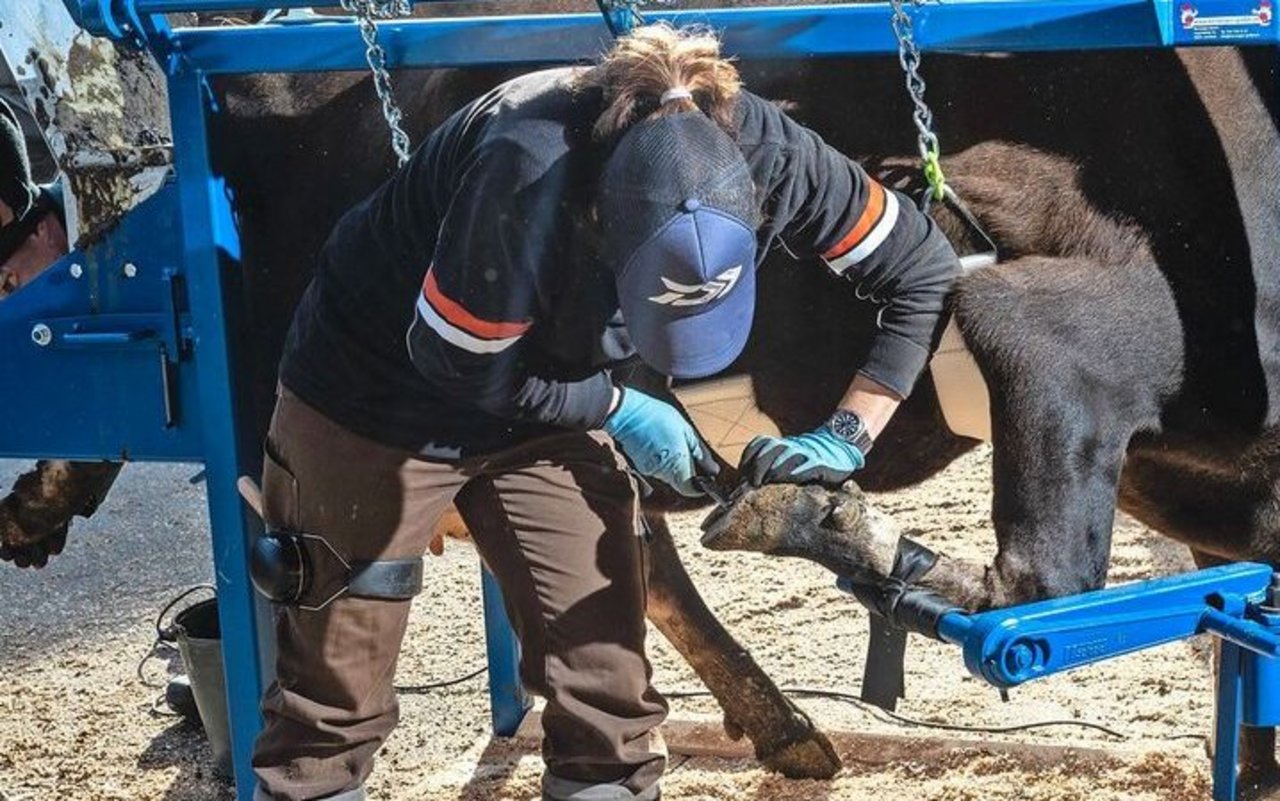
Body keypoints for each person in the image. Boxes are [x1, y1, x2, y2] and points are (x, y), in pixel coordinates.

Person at [253, 23, 959, 801]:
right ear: (602, 225)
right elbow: (458, 364)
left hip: (539, 396)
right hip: (378, 392)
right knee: (335, 694)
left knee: (606, 687)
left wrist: (848, 433)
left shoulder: (765, 149)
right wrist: (619, 407)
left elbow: (922, 268)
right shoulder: (527, 169)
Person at [0, 97, 124, 569]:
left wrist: (43, 506)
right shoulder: (57, 251)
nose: (8, 306)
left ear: (47, 230)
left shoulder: (123, 224)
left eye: (7, 283)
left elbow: (121, 393)